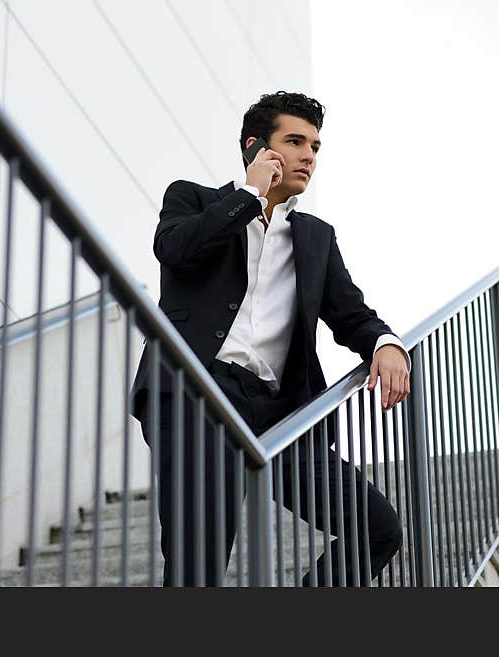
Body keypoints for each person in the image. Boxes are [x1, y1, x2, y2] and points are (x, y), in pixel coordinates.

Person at [128, 91, 410, 587]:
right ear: (257, 147)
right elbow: (173, 251)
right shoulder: (193, 199)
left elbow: (352, 315)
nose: (309, 156)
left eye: (316, 147)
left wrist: (385, 343)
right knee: (199, 564)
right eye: (296, 141)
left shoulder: (316, 237)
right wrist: (248, 196)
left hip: (282, 413)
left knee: (378, 529)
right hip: (199, 395)